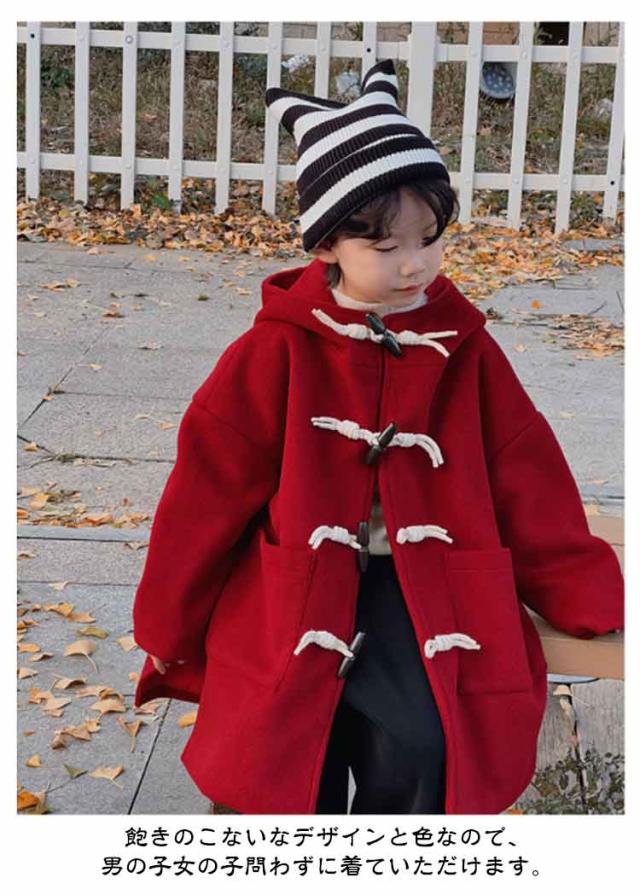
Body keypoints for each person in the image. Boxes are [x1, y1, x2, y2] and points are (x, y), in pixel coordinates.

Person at [132, 59, 623, 815]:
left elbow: (525, 476)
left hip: (424, 581)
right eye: (386, 248)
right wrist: (168, 618)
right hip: (293, 581)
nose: (416, 264)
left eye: (429, 238)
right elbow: (207, 493)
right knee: (282, 748)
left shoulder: (463, 349)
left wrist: (587, 593)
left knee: (428, 743)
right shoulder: (275, 351)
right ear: (327, 245)